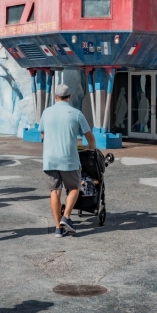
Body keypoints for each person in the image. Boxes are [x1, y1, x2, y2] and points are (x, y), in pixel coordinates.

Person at [40, 84, 96, 237]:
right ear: (70, 96)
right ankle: (66, 217)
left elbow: (43, 136)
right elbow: (89, 135)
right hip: (69, 158)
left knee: (55, 191)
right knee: (74, 188)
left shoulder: (46, 112)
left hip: (50, 159)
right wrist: (92, 147)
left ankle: (58, 228)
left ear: (55, 96)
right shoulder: (76, 113)